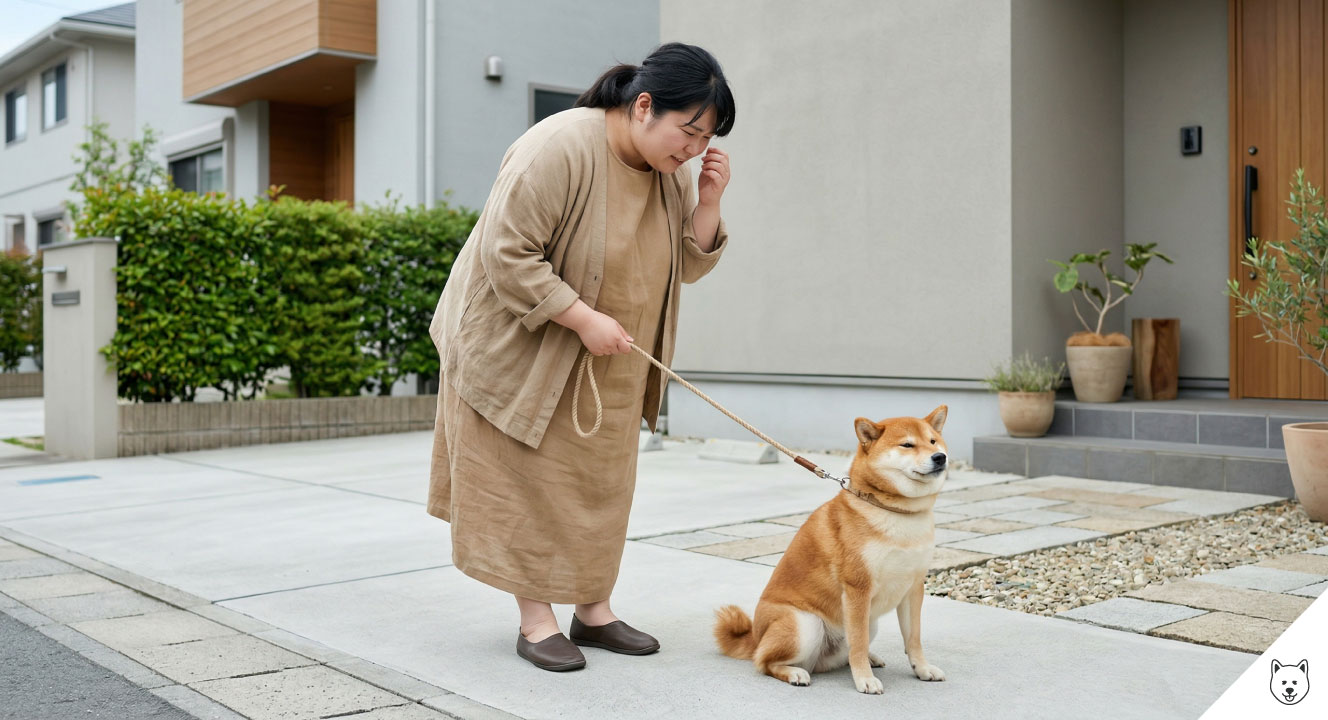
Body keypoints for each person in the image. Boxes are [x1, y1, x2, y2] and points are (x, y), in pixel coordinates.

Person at [425, 42, 736, 672]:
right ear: (645, 106)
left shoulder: (671, 172)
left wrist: (709, 201)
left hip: (611, 362)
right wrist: (581, 317)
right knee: (527, 482)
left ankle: (594, 612)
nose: (696, 148)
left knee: (598, 488)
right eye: (691, 130)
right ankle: (535, 621)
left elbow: (688, 264)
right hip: (525, 349)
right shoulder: (558, 146)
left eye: (708, 138)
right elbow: (507, 254)